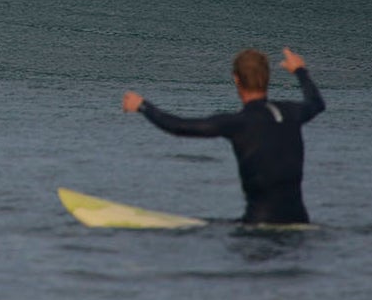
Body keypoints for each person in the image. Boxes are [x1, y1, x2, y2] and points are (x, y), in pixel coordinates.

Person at [122, 47, 326, 225]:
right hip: (299, 221)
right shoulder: (292, 112)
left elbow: (179, 126)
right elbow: (316, 102)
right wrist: (300, 70)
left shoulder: (239, 122)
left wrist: (142, 106)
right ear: (267, 78)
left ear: (236, 79)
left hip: (259, 224)